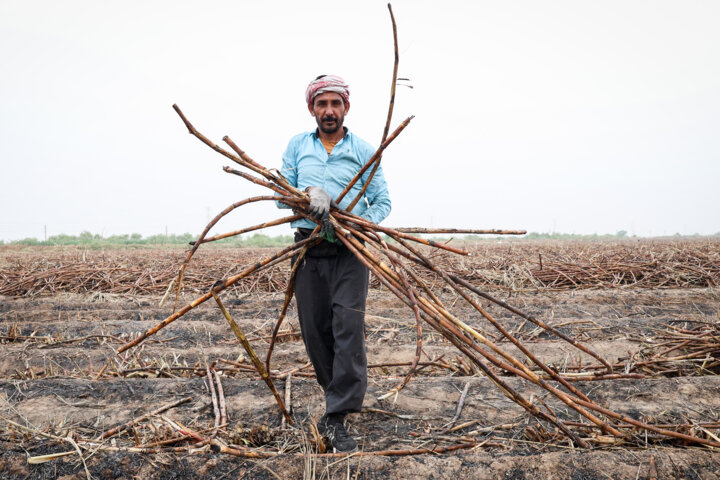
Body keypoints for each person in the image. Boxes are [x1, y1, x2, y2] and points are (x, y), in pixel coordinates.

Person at [276, 75, 391, 452]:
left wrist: (352, 220)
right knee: (315, 329)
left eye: (335, 104)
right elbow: (281, 194)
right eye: (321, 104)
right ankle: (335, 395)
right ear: (312, 109)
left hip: (350, 250)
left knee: (348, 325)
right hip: (308, 247)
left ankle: (337, 414)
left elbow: (383, 202)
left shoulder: (363, 150)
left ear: (346, 108)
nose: (329, 111)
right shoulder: (298, 146)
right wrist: (309, 193)